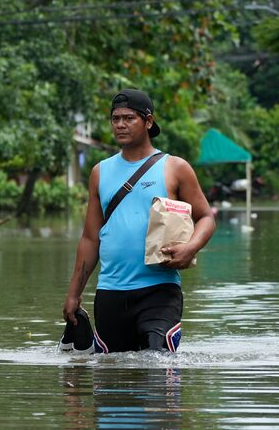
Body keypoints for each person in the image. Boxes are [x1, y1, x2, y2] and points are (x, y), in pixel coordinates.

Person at [62, 88, 216, 353]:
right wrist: (74, 294)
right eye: (115, 118)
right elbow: (90, 238)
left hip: (159, 289)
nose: (120, 124)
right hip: (110, 291)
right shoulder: (100, 172)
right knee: (113, 383)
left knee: (157, 362)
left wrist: (191, 247)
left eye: (129, 118)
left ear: (148, 122)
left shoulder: (175, 167)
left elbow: (206, 218)